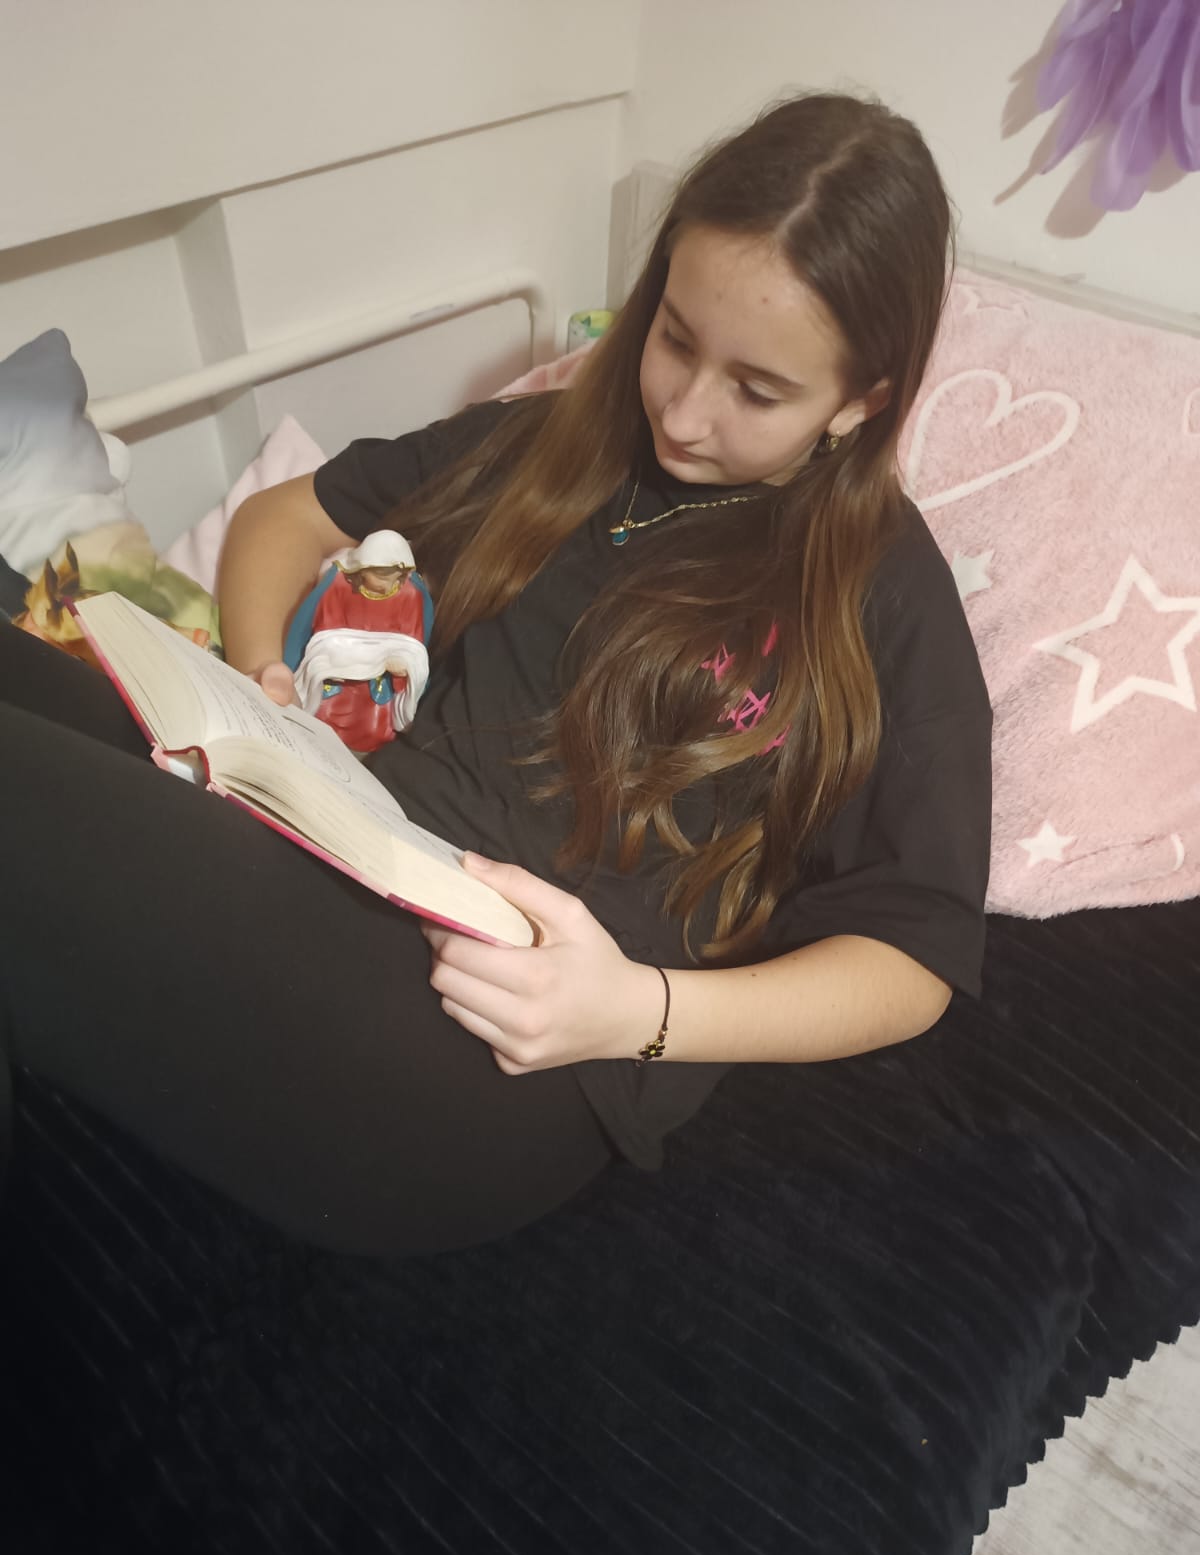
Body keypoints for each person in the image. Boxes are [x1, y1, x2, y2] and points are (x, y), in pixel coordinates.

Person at [1, 92, 992, 1256]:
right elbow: (285, 517)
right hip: (343, 842)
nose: (683, 412)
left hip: (507, 1040)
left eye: (756, 391)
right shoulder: (560, 442)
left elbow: (915, 958)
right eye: (675, 338)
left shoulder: (883, 592)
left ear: (861, 403)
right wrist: (261, 677)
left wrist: (636, 1011)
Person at [285, 528, 432, 753]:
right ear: (362, 568)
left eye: (395, 578)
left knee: (373, 727)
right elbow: (316, 629)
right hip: (336, 678)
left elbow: (414, 645)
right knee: (323, 717)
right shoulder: (338, 584)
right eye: (380, 577)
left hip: (378, 685)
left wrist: (405, 666)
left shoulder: (411, 594)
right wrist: (328, 659)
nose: (386, 585)